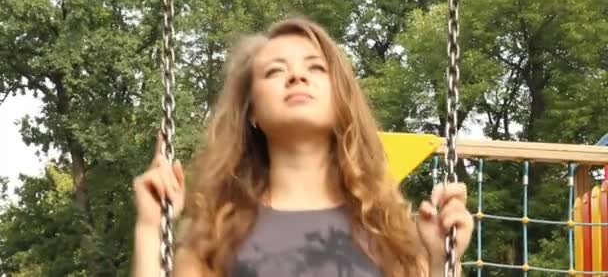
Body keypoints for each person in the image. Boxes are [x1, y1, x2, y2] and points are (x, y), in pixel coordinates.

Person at [132, 17, 474, 277]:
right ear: (252, 110)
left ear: (341, 98)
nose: (297, 77)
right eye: (275, 72)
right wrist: (149, 228)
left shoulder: (388, 229)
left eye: (315, 68)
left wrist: (445, 261)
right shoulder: (217, 234)